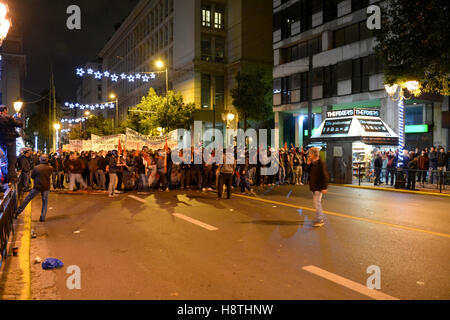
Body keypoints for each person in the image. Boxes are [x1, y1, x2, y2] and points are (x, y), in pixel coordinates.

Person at [15, 154, 53, 222]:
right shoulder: (50, 168)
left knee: (27, 199)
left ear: (40, 159)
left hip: (37, 187)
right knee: (45, 202)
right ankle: (42, 218)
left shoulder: (36, 168)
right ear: (47, 159)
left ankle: (18, 212)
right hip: (46, 187)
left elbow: (32, 176)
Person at [306, 147, 329, 228]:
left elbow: (325, 176)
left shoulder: (321, 163)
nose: (309, 156)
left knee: (317, 203)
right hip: (314, 187)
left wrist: (324, 187)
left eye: (310, 154)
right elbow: (308, 172)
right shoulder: (313, 163)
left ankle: (319, 219)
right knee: (316, 203)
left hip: (319, 187)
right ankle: (319, 218)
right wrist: (308, 164)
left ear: (314, 154)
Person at [0, 105, 22, 185]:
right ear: (5, 110)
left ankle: (6, 178)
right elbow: (19, 124)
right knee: (11, 160)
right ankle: (12, 179)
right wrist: (18, 117)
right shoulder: (8, 117)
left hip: (2, 141)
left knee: (4, 160)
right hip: (10, 140)